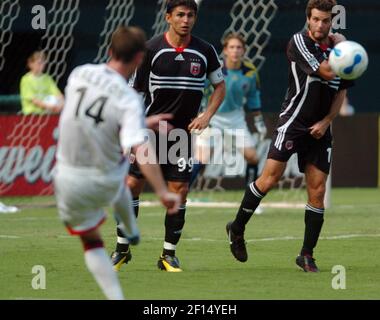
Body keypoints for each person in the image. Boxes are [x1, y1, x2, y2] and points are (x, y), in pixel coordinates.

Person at [53, 26, 181, 299]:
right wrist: (161, 191)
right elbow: (141, 147)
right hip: (105, 182)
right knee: (124, 165)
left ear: (110, 51)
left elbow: (92, 112)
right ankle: (131, 229)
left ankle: (116, 295)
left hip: (66, 179)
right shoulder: (129, 100)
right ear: (139, 60)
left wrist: (140, 122)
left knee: (91, 242)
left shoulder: (79, 74)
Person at [226, 0, 353, 272]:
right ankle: (236, 228)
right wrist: (344, 51)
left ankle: (306, 254)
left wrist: (328, 120)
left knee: (317, 190)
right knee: (269, 179)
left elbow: (341, 89)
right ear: (308, 19)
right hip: (293, 122)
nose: (320, 25)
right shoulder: (299, 42)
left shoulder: (339, 47)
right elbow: (327, 71)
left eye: (325, 20)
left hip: (321, 127)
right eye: (316, 19)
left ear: (331, 21)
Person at [111, 0, 225, 272]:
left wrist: (207, 114)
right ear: (168, 17)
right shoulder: (150, 49)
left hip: (182, 136)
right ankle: (121, 249)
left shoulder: (205, 50)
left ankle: (168, 255)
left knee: (180, 191)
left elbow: (220, 86)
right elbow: (134, 93)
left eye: (190, 15)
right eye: (180, 15)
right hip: (148, 134)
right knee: (131, 186)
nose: (186, 20)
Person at [190, 33, 267, 191]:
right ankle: (181, 194)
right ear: (225, 50)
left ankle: (250, 197)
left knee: (253, 157)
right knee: (202, 158)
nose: (235, 51)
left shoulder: (250, 72)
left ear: (244, 51)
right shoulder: (214, 68)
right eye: (231, 47)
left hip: (235, 118)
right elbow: (198, 90)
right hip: (211, 117)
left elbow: (254, 97)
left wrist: (259, 122)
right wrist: (198, 113)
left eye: (239, 47)